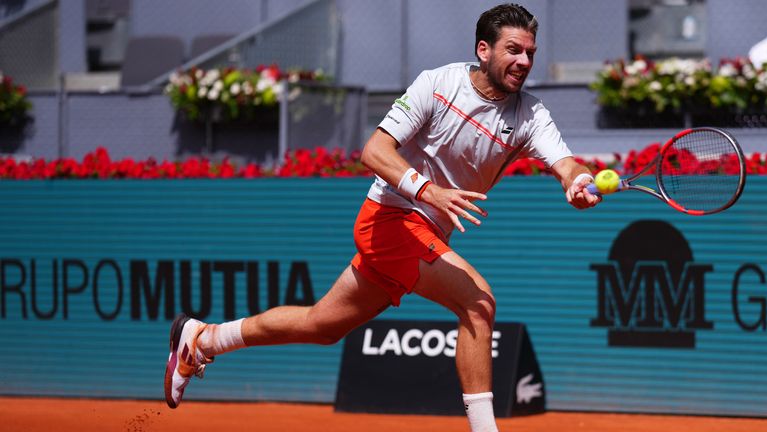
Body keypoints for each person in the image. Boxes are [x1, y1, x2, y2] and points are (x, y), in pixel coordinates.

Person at [164, 3, 600, 431]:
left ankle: (204, 339)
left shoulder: (530, 114)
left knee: (321, 326)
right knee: (478, 302)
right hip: (389, 219)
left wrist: (577, 182)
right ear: (483, 50)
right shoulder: (438, 84)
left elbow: (566, 163)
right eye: (513, 50)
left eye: (530, 53)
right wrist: (429, 191)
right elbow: (374, 151)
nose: (524, 61)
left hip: (424, 234)